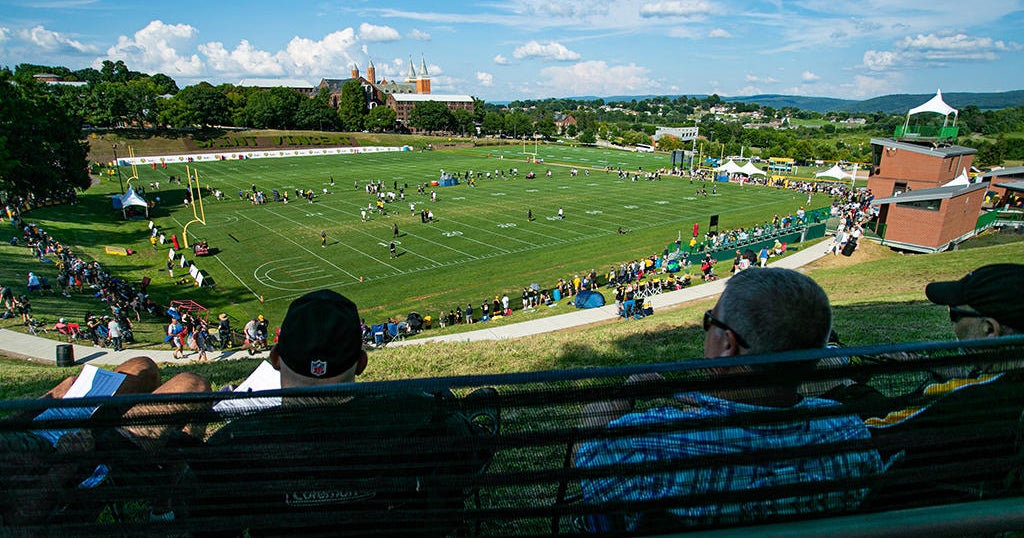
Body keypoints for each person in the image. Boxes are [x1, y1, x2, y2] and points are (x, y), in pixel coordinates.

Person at [574, 268, 886, 531]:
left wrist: (630, 391)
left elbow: (584, 464)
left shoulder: (651, 443)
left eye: (710, 320)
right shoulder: (848, 431)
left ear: (727, 344)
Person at [193, 290, 490, 536]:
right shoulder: (422, 418)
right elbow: (467, 467)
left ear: (275, 359)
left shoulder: (233, 446)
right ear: (361, 363)